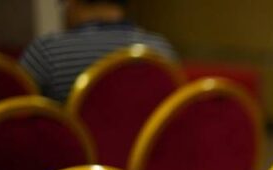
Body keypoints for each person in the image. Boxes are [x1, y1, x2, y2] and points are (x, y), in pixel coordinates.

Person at [20, 0, 177, 102]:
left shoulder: (47, 52)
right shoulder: (160, 51)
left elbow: (11, 116)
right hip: (140, 154)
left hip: (74, 153)